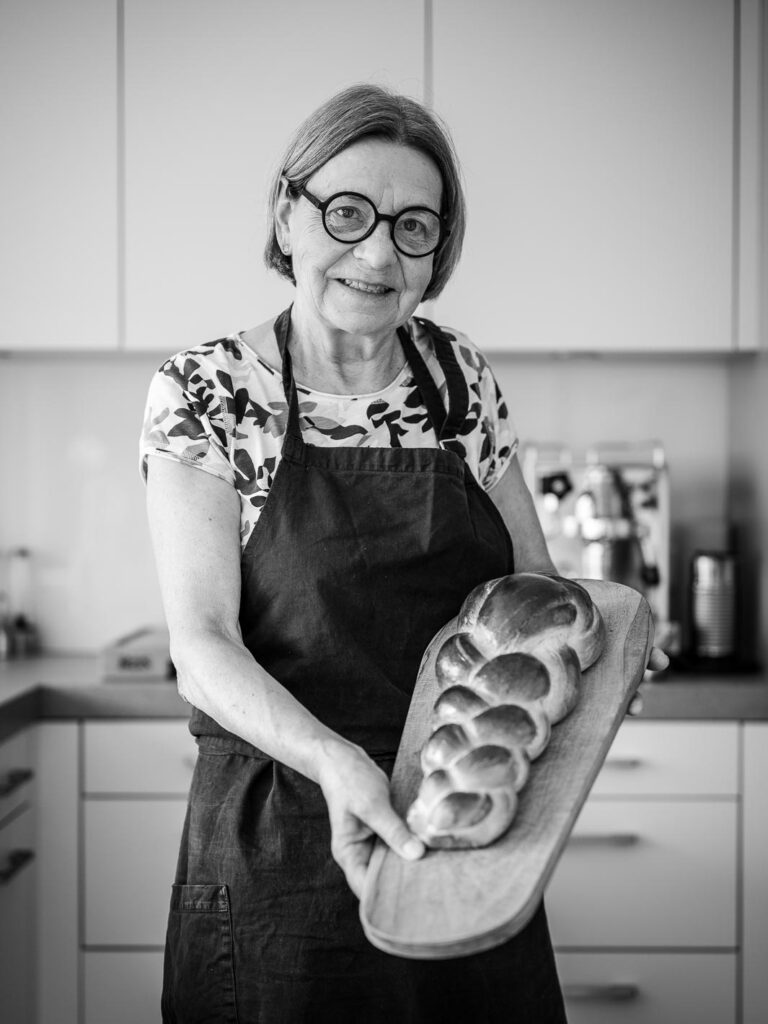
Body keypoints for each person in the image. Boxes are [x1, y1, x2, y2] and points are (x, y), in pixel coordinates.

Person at [141, 83, 667, 1023]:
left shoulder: (458, 377)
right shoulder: (208, 390)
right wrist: (339, 763)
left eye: (414, 227)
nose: (378, 252)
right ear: (287, 216)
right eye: (347, 213)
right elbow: (203, 644)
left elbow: (536, 592)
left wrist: (607, 659)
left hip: (465, 829)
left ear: (439, 251)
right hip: (284, 833)